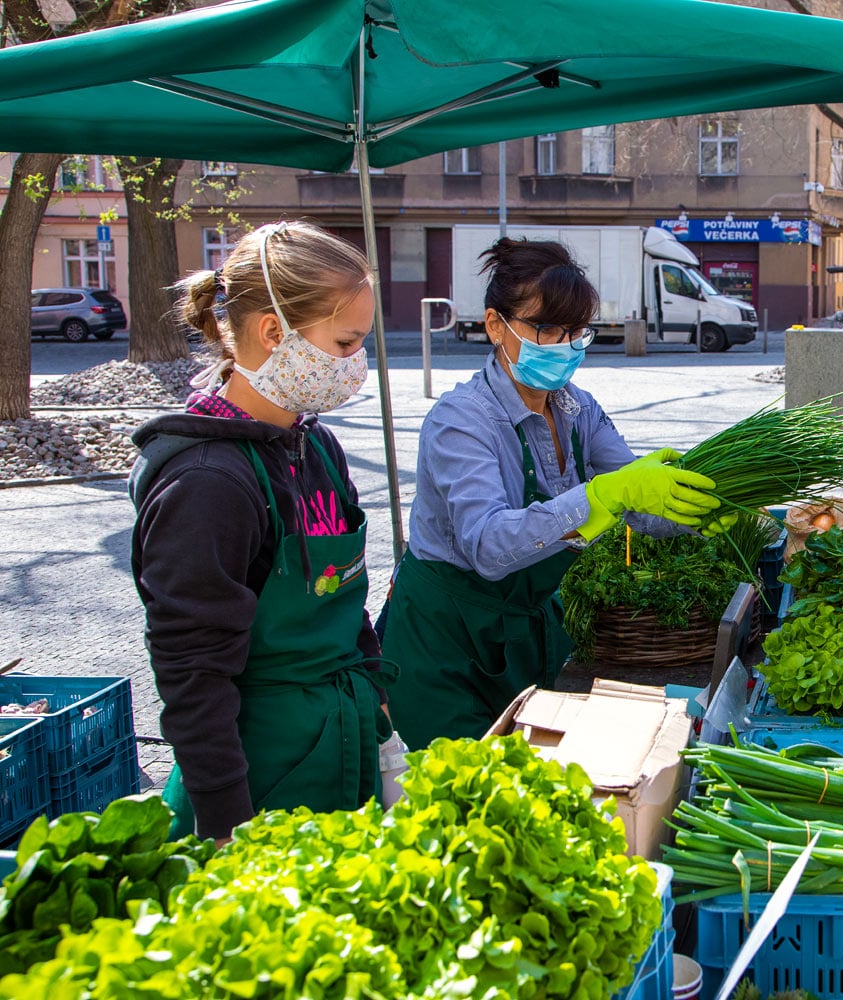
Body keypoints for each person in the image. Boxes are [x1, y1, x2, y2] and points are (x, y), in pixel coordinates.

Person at [380, 238, 727, 751]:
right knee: (461, 784)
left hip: (524, 631)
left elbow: (635, 499)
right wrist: (603, 495)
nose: (563, 345)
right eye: (546, 328)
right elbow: (490, 546)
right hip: (445, 636)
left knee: (521, 773)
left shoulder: (577, 408)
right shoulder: (461, 420)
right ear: (496, 325)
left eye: (575, 331)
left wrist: (707, 507)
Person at [130, 222, 390, 843]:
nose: (357, 363)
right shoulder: (207, 483)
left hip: (341, 748)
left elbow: (342, 593)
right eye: (348, 341)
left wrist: (378, 706)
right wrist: (226, 821)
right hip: (258, 778)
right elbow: (191, 671)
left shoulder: (316, 445)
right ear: (275, 333)